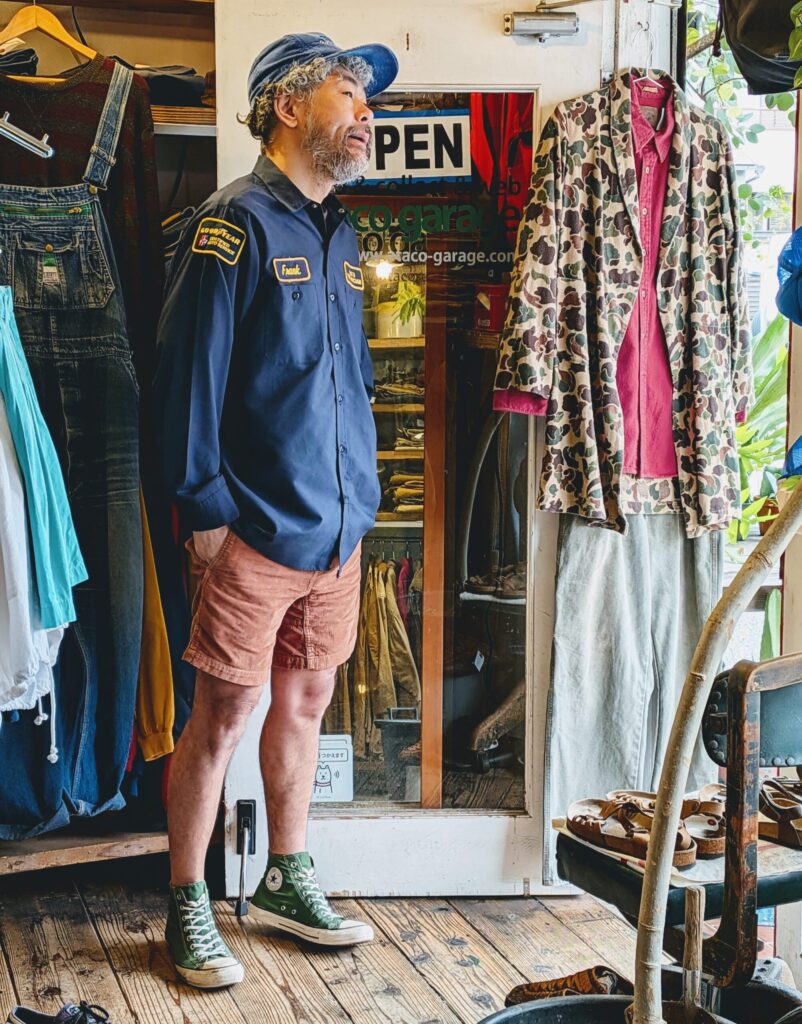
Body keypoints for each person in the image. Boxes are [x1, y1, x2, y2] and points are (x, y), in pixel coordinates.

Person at [154, 32, 399, 989]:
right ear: (289, 107)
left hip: (336, 532)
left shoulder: (341, 233)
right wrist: (206, 514)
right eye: (348, 92)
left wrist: (360, 499)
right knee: (222, 713)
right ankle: (188, 901)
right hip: (251, 530)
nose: (366, 112)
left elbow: (346, 384)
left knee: (306, 701)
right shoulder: (232, 225)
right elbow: (186, 381)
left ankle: (288, 877)